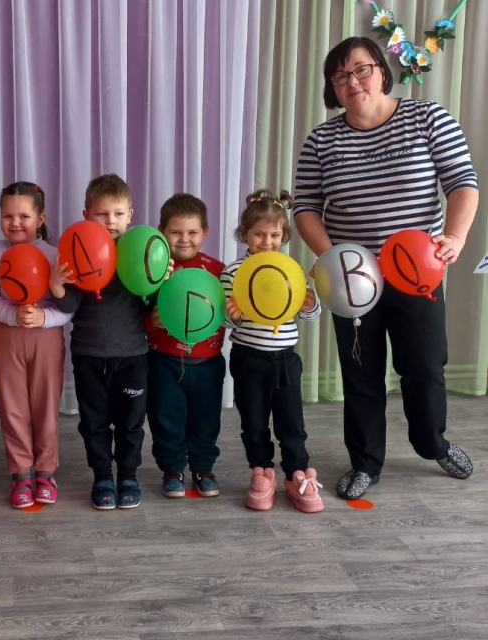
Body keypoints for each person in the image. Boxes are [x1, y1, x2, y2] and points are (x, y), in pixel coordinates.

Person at [294, 36, 479, 500]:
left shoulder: (427, 117)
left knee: (425, 365)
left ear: (381, 70)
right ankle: (365, 462)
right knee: (361, 373)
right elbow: (306, 208)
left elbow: (462, 183)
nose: (352, 81)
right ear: (332, 87)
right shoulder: (321, 140)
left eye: (361, 69)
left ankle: (433, 443)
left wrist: (455, 237)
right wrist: (335, 259)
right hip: (352, 281)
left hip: (417, 274)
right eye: (340, 75)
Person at [220, 189, 324, 513]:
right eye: (259, 234)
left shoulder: (290, 269)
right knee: (253, 422)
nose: (267, 242)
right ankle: (261, 472)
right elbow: (224, 323)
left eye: (275, 235)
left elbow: (310, 317)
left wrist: (310, 304)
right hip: (248, 360)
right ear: (244, 234)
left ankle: (297, 475)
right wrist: (232, 315)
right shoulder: (233, 272)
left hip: (286, 359)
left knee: (292, 423)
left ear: (284, 235)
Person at [50, 174, 150, 510]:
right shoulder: (80, 253)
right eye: (102, 214)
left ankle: (128, 475)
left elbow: (150, 305)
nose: (111, 221)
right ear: (86, 215)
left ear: (130, 216)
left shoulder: (137, 254)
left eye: (118, 214)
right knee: (94, 422)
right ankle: (102, 476)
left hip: (132, 356)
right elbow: (69, 306)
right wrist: (57, 286)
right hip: (89, 356)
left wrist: (159, 281)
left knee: (130, 423)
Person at [0, 182, 72, 509]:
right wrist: (11, 315)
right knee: (13, 408)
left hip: (47, 339)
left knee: (45, 408)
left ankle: (45, 472)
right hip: (6, 339)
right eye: (7, 216)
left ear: (40, 219)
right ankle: (20, 473)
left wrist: (43, 317)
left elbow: (69, 306)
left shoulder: (54, 254)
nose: (15, 223)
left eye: (24, 216)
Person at [144, 193, 226, 499]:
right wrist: (152, 319)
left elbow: (230, 312)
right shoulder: (154, 270)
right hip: (163, 360)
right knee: (166, 418)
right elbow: (137, 312)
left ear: (205, 232)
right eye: (176, 232)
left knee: (206, 419)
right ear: (161, 231)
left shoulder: (218, 270)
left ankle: (203, 468)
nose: (184, 239)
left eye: (192, 232)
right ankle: (172, 469)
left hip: (207, 362)